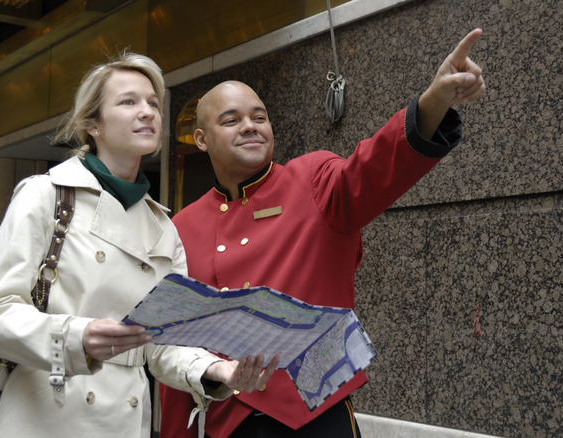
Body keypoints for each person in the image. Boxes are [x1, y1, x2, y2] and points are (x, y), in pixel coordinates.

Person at [159, 28, 486, 438]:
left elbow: (375, 167)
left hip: (316, 413)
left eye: (259, 117)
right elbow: (172, 344)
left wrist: (434, 99)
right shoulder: (179, 227)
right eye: (232, 120)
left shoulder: (313, 177)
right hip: (228, 422)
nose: (250, 126)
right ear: (202, 139)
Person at [0, 51, 279, 438]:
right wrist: (77, 337)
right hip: (46, 416)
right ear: (92, 125)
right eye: (128, 102)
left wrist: (217, 370)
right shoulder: (45, 194)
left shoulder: (162, 226)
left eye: (153, 103)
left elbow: (167, 342)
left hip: (126, 420)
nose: (147, 112)